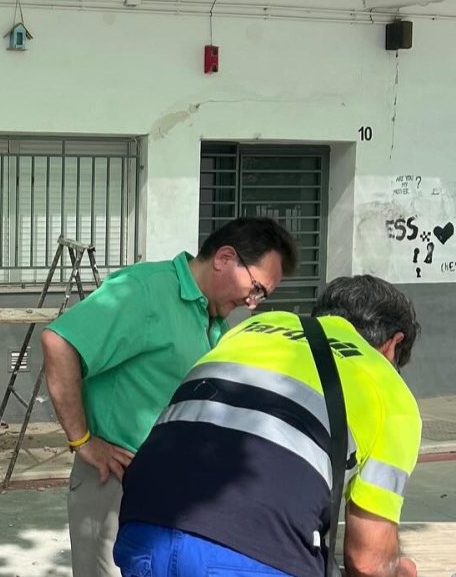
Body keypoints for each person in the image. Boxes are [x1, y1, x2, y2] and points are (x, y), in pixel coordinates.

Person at [115, 275, 422, 577]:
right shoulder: (390, 391)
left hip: (143, 525)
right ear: (393, 344)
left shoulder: (250, 328)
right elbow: (368, 562)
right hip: (255, 552)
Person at [42, 217, 299, 577]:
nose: (253, 303)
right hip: (116, 483)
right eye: (256, 288)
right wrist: (82, 440)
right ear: (225, 257)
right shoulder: (144, 290)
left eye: (262, 296)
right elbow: (60, 343)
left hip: (176, 492)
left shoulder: (213, 320)